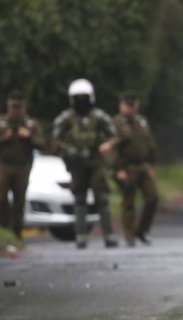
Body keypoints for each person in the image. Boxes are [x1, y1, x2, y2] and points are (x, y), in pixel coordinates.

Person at [52, 78, 119, 249]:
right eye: (78, 97)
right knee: (79, 199)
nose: (81, 101)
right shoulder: (66, 118)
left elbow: (115, 135)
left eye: (84, 97)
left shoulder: (98, 117)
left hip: (95, 160)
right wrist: (68, 150)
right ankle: (81, 236)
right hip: (76, 163)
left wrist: (108, 144)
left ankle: (109, 235)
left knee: (102, 198)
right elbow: (55, 140)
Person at [0, 90, 45, 239]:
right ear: (8, 107)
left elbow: (42, 144)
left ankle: (17, 235)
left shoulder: (30, 124)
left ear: (24, 108)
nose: (16, 110)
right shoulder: (0, 122)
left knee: (19, 202)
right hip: (4, 165)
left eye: (19, 107)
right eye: (13, 107)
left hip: (22, 167)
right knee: (0, 201)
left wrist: (29, 136)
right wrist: (5, 137)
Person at [112, 91, 158, 247]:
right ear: (121, 106)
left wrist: (152, 164)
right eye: (127, 105)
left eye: (133, 106)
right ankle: (130, 235)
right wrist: (119, 169)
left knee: (152, 197)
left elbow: (150, 143)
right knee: (128, 201)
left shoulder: (141, 121)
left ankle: (142, 230)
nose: (130, 109)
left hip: (143, 165)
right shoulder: (116, 123)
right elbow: (114, 149)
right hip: (127, 166)